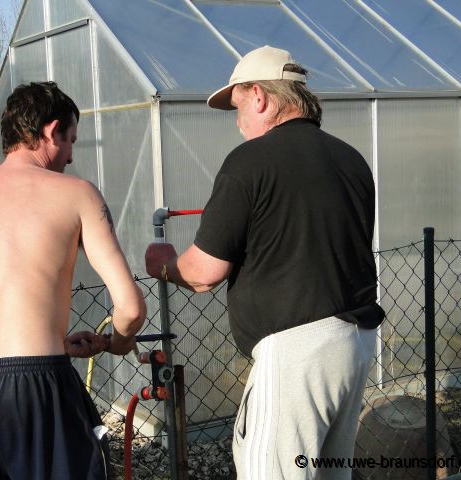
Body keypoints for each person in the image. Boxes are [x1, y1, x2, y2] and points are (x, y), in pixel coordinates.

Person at [145, 46, 384, 479]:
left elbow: (204, 273)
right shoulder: (351, 161)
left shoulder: (250, 161)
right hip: (357, 340)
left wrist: (163, 263)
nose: (238, 124)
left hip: (297, 352)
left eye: (238, 108)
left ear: (260, 96)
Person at [0, 81, 146, 480]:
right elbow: (130, 307)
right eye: (71, 140)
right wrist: (119, 342)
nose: (72, 156)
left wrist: (54, 342)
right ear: (50, 130)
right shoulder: (76, 193)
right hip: (30, 383)